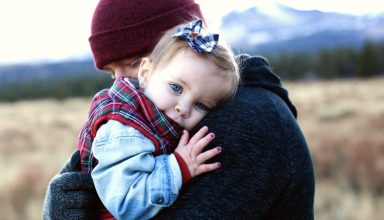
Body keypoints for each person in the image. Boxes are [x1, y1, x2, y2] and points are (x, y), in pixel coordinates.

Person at [43, 0, 315, 219]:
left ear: (187, 42)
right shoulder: (165, 117)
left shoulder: (246, 122)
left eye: (135, 63)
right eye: (111, 73)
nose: (121, 85)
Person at [77, 19, 240, 219]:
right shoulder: (124, 129)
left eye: (201, 105)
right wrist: (179, 166)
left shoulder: (157, 118)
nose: (183, 108)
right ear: (145, 73)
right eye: (176, 87)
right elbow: (126, 203)